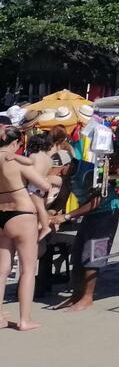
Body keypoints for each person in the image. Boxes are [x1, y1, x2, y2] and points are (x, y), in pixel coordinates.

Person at [51, 154, 119, 312]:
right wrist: (52, 211)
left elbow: (95, 202)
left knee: (93, 253)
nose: (59, 173)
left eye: (61, 169)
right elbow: (63, 195)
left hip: (107, 211)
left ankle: (88, 297)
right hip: (90, 213)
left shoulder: (88, 172)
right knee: (77, 252)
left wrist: (67, 216)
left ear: (69, 164)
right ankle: (76, 294)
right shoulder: (68, 174)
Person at [1, 123, 51, 330]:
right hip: (22, 213)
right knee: (28, 269)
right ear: (14, 143)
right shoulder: (16, 161)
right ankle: (24, 319)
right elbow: (44, 185)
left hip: (1, 213)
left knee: (1, 269)